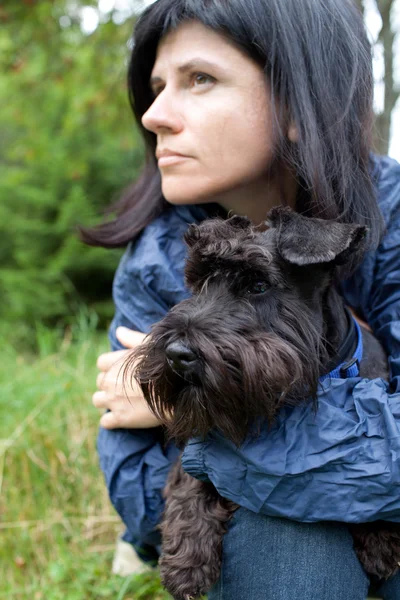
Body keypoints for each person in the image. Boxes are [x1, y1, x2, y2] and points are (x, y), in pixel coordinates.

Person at [81, 0, 400, 598]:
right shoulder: (155, 256)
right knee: (291, 544)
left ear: (302, 106)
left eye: (200, 79)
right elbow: (138, 486)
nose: (153, 115)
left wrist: (196, 421)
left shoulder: (394, 221)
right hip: (263, 537)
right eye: (154, 87)